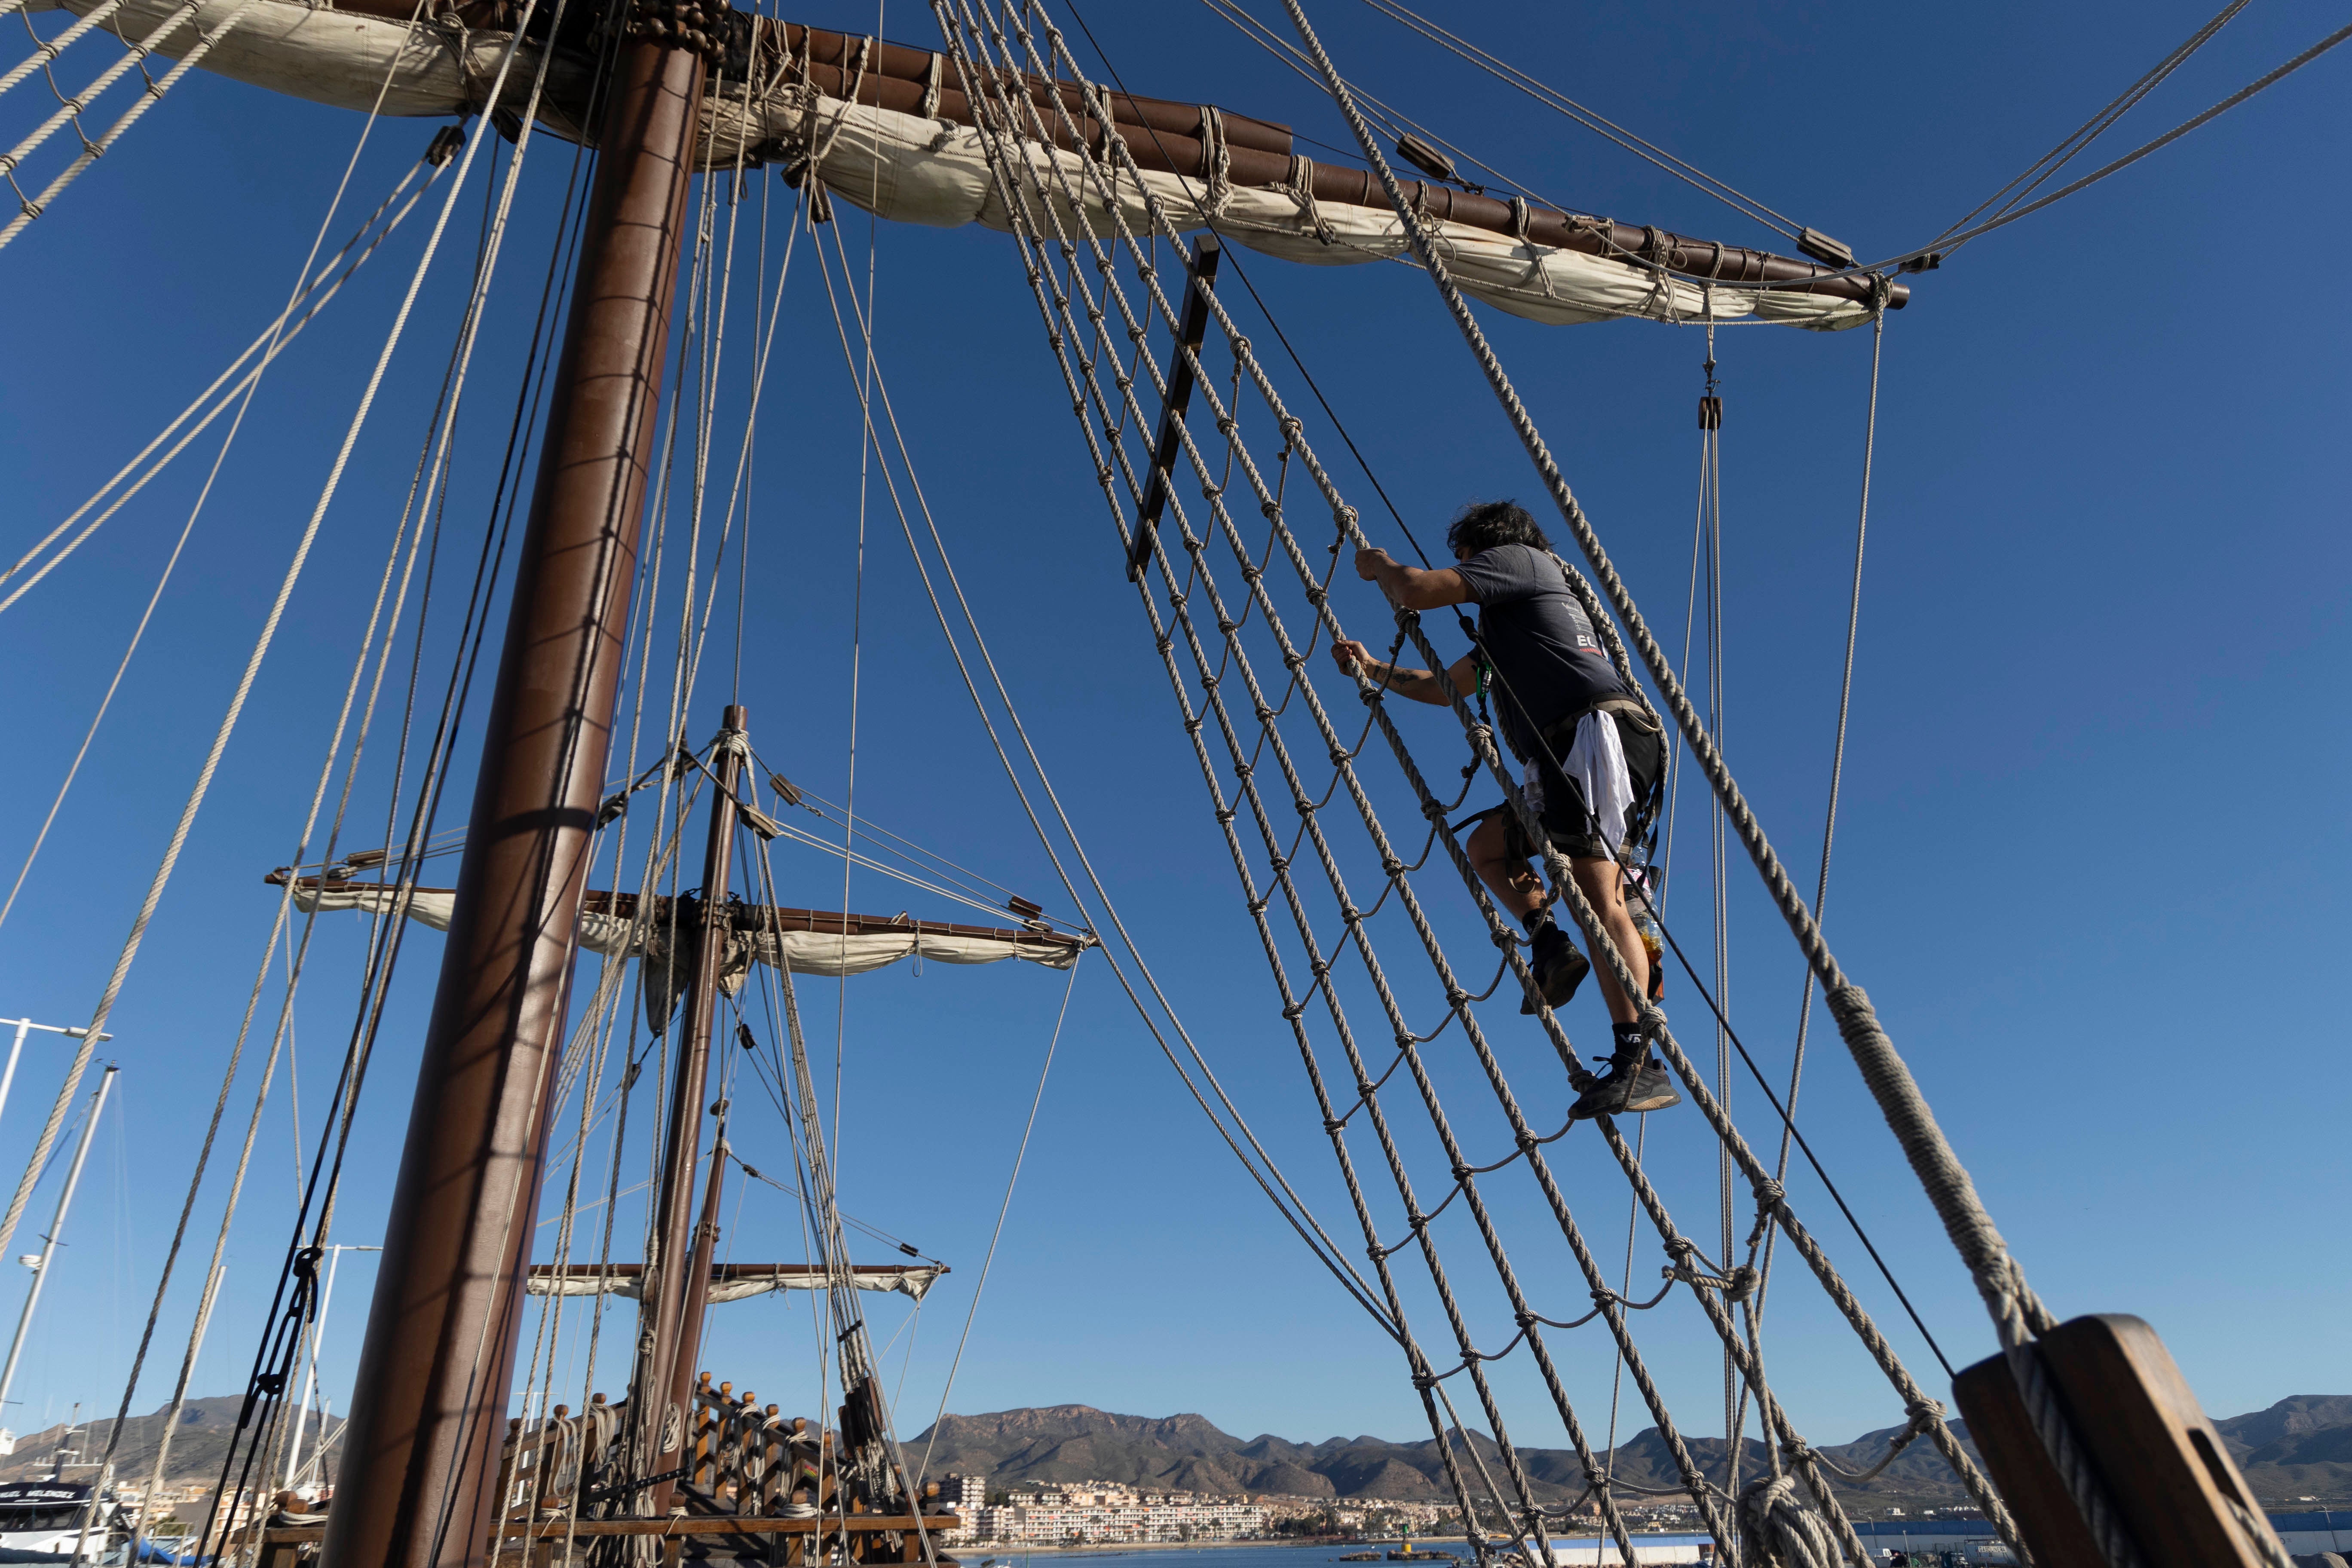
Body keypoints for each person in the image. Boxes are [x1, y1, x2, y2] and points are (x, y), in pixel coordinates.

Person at [1331, 499, 1678, 1118]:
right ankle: (1550, 946)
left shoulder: (1522, 562)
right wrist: (1373, 668)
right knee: (1488, 848)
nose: (1465, 569)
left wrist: (1376, 562)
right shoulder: (1505, 628)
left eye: (1466, 558)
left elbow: (1414, 590)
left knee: (1599, 898)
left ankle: (1639, 1063)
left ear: (1487, 546)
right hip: (1562, 758)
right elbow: (1445, 689)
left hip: (1593, 741)